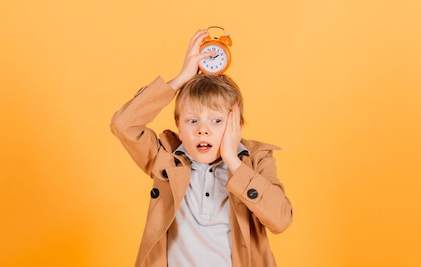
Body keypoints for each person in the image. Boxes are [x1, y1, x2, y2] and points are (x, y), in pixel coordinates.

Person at [110, 29, 293, 267]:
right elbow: (123, 124)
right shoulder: (165, 158)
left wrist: (232, 160)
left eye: (216, 121)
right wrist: (179, 80)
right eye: (192, 120)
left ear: (236, 124)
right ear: (178, 125)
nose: (202, 130)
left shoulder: (255, 161)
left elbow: (281, 220)